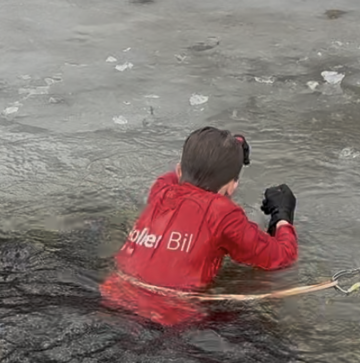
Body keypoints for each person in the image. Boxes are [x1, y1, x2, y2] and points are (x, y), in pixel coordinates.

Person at [101, 125, 297, 323]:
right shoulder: (223, 214)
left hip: (113, 298)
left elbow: (172, 176)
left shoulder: (161, 191)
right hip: (169, 319)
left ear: (179, 170)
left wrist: (233, 146)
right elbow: (282, 257)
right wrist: (282, 215)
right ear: (232, 186)